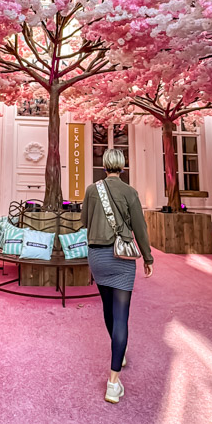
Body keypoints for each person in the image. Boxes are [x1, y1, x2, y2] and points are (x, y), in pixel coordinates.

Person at [81, 149, 154, 404]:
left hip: (97, 257)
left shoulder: (92, 190)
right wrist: (147, 257)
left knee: (107, 308)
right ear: (122, 167)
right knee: (121, 315)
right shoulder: (130, 192)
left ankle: (118, 350)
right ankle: (113, 382)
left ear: (104, 167)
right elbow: (140, 229)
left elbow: (85, 221)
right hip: (122, 259)